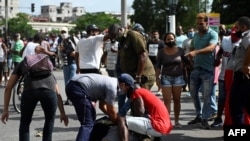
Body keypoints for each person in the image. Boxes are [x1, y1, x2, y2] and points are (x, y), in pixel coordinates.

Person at [1, 45, 69, 141]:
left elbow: (8, 88)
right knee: (49, 121)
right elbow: (57, 92)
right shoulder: (46, 64)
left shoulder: (23, 63)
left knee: (25, 123)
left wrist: (5, 110)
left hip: (30, 90)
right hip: (49, 91)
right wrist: (62, 113)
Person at [108, 24, 156, 117]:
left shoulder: (133, 35)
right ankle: (137, 128)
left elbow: (142, 55)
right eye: (111, 36)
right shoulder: (121, 41)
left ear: (120, 30)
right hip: (131, 77)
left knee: (141, 105)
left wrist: (138, 77)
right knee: (135, 106)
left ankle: (148, 127)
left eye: (114, 35)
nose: (113, 38)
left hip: (143, 76)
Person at [185, 13, 219, 129]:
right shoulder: (195, 35)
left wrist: (196, 52)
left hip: (207, 70)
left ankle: (205, 118)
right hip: (196, 69)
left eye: (201, 23)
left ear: (207, 23)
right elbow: (192, 46)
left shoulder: (213, 34)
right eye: (198, 23)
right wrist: (191, 56)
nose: (199, 26)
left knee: (207, 96)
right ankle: (198, 115)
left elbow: (211, 48)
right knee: (193, 94)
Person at [117, 73, 172, 141]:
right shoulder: (143, 91)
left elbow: (139, 112)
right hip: (166, 127)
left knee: (122, 120)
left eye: (119, 85)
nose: (119, 88)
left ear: (123, 85)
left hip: (158, 126)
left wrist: (121, 95)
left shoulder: (136, 92)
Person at [65, 73, 119, 141]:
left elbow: (102, 106)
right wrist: (118, 122)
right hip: (78, 87)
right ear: (123, 85)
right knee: (88, 123)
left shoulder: (110, 82)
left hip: (73, 85)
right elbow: (111, 111)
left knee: (91, 118)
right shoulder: (112, 88)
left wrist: (111, 116)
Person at [155, 32, 185, 128]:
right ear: (165, 41)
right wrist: (157, 78)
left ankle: (176, 121)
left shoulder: (180, 50)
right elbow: (158, 66)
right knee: (167, 101)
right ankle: (167, 121)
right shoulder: (161, 52)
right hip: (166, 78)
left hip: (178, 77)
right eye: (168, 39)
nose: (170, 40)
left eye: (172, 39)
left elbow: (183, 64)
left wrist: (185, 76)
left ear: (175, 40)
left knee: (177, 100)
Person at [229, 16, 250, 126]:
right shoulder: (244, 37)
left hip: (243, 77)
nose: (234, 30)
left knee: (236, 108)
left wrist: (245, 64)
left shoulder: (247, 36)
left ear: (244, 27)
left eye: (236, 28)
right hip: (243, 77)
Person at [59, 27, 78, 105]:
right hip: (65, 64)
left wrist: (66, 49)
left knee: (72, 82)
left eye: (64, 32)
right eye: (62, 32)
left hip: (73, 63)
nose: (63, 33)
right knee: (67, 83)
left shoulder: (72, 39)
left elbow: (76, 52)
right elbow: (60, 53)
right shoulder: (61, 42)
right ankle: (69, 98)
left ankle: (73, 98)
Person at [147, 29, 165, 95]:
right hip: (150, 61)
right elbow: (146, 50)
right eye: (154, 35)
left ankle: (159, 89)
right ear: (151, 35)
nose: (155, 36)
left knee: (158, 76)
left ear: (158, 35)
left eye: (156, 34)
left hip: (159, 61)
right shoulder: (148, 42)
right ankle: (148, 89)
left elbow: (164, 51)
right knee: (150, 76)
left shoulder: (161, 43)